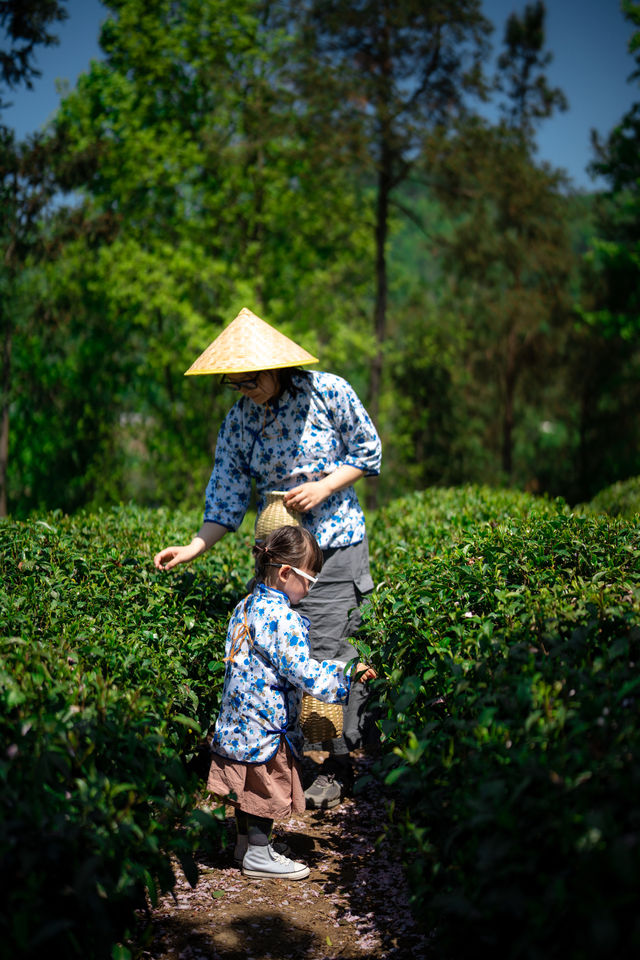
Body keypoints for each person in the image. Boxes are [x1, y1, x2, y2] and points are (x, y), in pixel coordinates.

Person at [154, 307, 382, 809]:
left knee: (325, 647)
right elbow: (226, 498)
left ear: (275, 368)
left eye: (250, 380)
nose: (244, 389)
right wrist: (194, 547)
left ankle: (337, 764)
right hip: (279, 552)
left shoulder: (328, 392)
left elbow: (368, 452)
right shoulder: (239, 421)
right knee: (282, 652)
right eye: (235, 383)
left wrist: (322, 487)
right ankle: (295, 760)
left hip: (335, 543)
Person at [206, 525, 376, 879]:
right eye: (310, 580)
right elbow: (302, 671)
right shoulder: (284, 619)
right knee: (267, 787)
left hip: (239, 720)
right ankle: (258, 853)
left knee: (248, 786)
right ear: (286, 573)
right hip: (267, 723)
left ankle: (244, 846)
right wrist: (345, 675)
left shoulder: (245, 605)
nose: (310, 589)